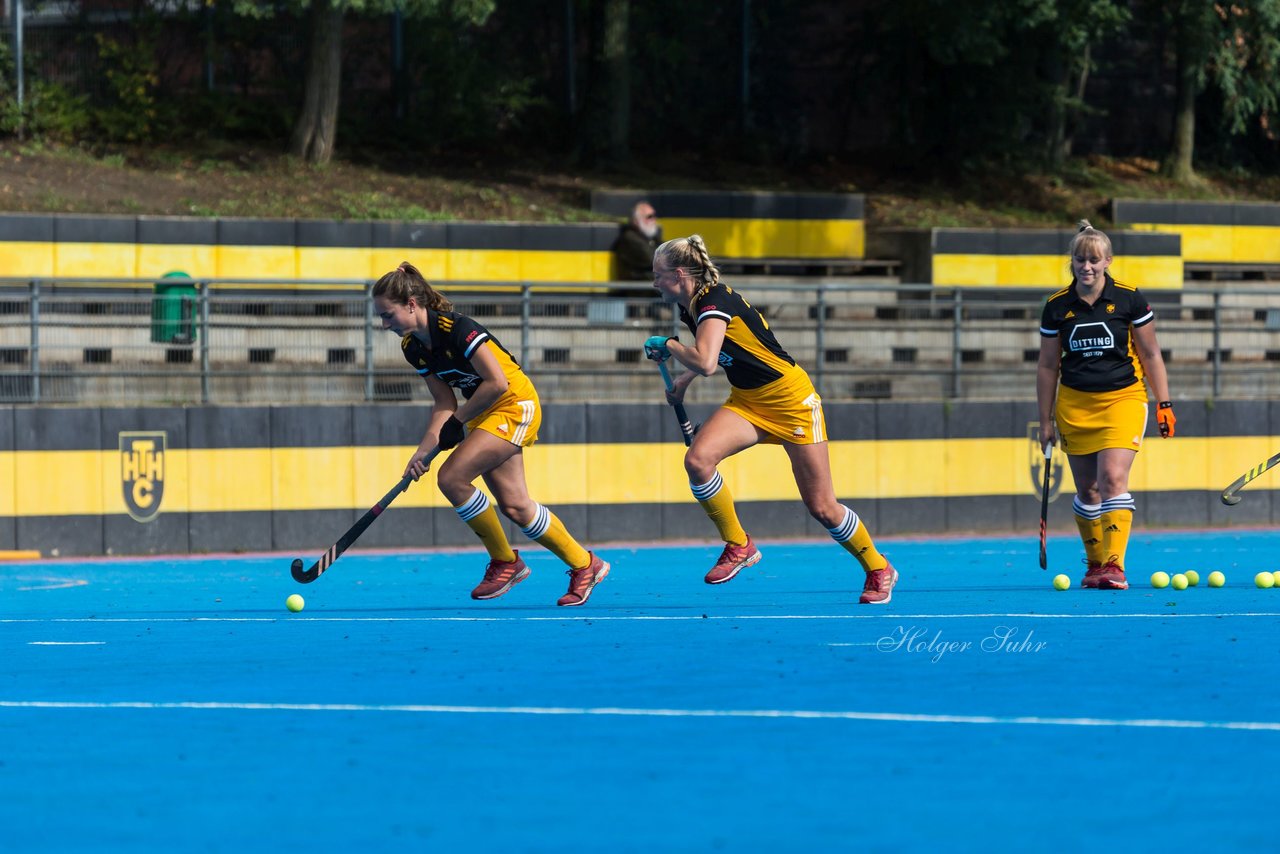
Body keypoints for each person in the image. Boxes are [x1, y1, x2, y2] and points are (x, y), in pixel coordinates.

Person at [643, 234, 898, 604]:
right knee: (698, 461)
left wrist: (668, 345)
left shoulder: (714, 301)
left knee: (823, 507)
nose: (654, 283)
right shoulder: (693, 304)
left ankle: (878, 567)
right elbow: (727, 352)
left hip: (790, 400)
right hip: (748, 401)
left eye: (658, 275)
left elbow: (708, 362)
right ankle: (738, 545)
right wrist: (682, 381)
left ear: (679, 273)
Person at [372, 261, 610, 606]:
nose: (384, 324)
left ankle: (505, 562)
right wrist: (422, 452)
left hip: (515, 404)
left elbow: (497, 382)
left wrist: (459, 421)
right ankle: (586, 565)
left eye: (388, 315)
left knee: (452, 478)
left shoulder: (458, 328)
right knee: (515, 505)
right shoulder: (413, 347)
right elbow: (443, 403)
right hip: (485, 412)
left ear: (411, 305)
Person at [1036, 220, 1175, 591]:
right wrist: (1045, 421)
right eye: (1080, 260)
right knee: (1088, 492)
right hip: (1074, 405)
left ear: (1108, 261)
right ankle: (1096, 564)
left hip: (1123, 399)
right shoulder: (1056, 307)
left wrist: (1164, 403)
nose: (1087, 266)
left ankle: (1115, 565)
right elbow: (1048, 366)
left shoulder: (1129, 298)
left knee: (1112, 479)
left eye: (1094, 260)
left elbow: (1150, 353)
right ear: (1072, 263)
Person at [613, 201, 662, 280]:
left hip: (653, 286)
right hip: (639, 288)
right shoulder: (630, 238)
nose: (654, 219)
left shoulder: (652, 237)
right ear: (636, 221)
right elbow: (652, 259)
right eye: (649, 217)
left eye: (654, 216)